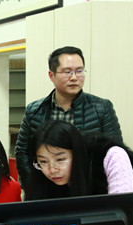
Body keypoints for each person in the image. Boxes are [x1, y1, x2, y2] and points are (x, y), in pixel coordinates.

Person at [14, 46, 122, 194]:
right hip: (47, 190)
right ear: (51, 75)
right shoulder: (34, 110)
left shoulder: (101, 108)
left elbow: (114, 152)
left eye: (79, 71)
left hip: (89, 190)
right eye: (67, 72)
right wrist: (33, 187)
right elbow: (22, 153)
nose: (74, 77)